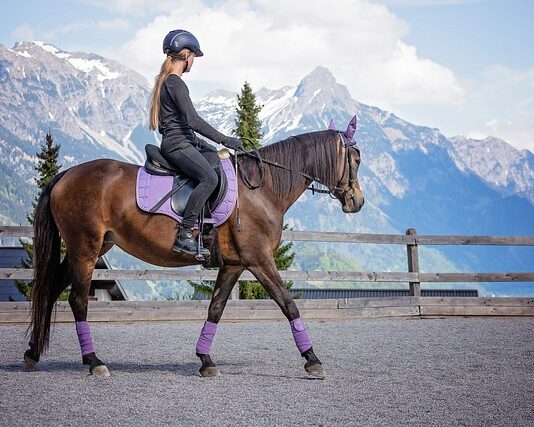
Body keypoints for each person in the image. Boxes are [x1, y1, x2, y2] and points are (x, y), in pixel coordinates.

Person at [149, 29, 243, 257]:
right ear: (186, 55)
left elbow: (185, 126)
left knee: (215, 161)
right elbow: (192, 121)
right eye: (193, 57)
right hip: (177, 145)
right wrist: (225, 139)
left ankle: (208, 230)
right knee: (209, 177)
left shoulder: (168, 82)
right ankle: (184, 234)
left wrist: (211, 148)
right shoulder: (175, 83)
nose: (193, 62)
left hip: (183, 141)